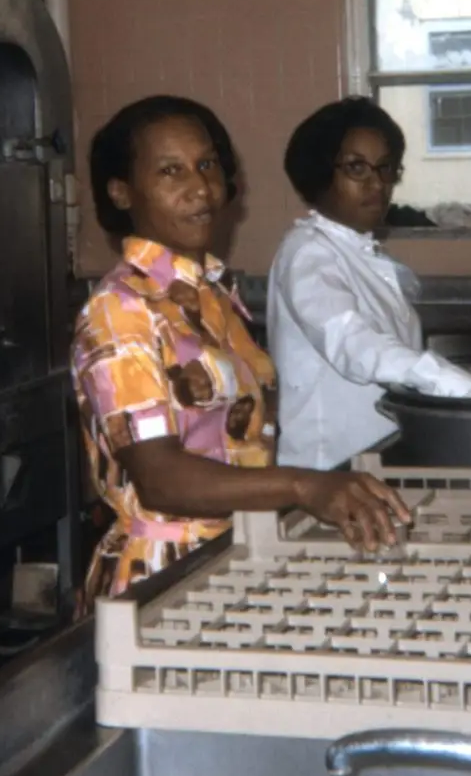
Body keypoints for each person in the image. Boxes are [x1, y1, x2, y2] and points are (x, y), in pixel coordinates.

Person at [71, 95, 410, 605]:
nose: (200, 188)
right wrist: (304, 487)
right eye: (170, 171)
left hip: (231, 555)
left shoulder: (211, 295)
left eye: (207, 164)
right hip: (164, 577)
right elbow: (160, 479)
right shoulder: (121, 310)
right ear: (121, 192)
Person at [267, 96, 471, 473]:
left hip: (372, 460)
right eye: (356, 168)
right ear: (318, 174)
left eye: (385, 168)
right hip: (329, 471)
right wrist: (450, 382)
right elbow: (351, 340)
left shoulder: (359, 251)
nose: (377, 184)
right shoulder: (308, 252)